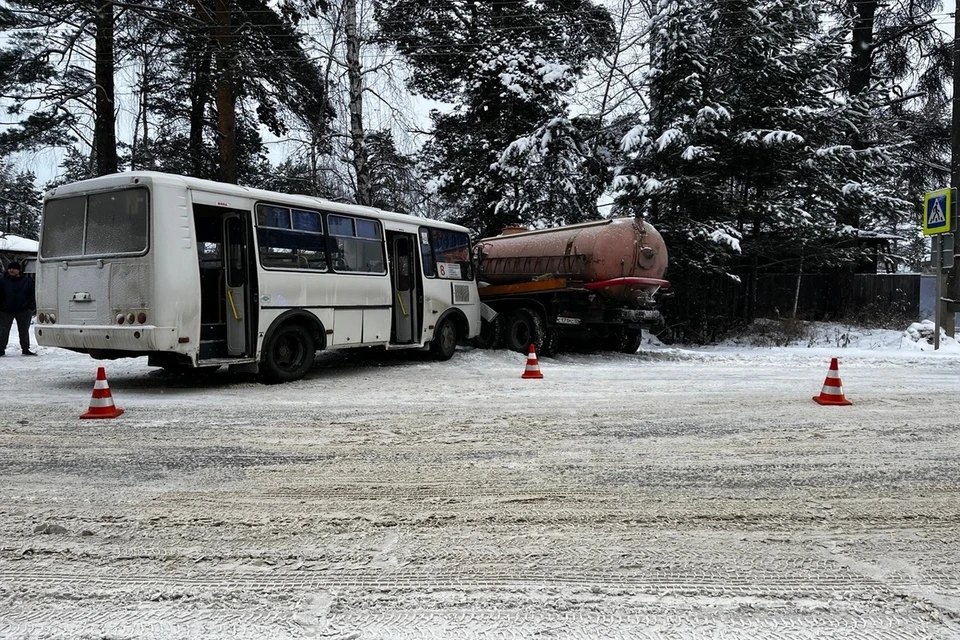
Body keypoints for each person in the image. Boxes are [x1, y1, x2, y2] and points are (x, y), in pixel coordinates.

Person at [0, 261, 37, 356]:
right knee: (3, 330)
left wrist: (31, 307)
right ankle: (1, 349)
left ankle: (25, 348)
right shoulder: (3, 281)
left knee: (24, 330)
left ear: (19, 270)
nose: (11, 270)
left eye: (14, 268)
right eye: (10, 268)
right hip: (6, 310)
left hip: (24, 310)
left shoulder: (27, 281)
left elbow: (32, 294)